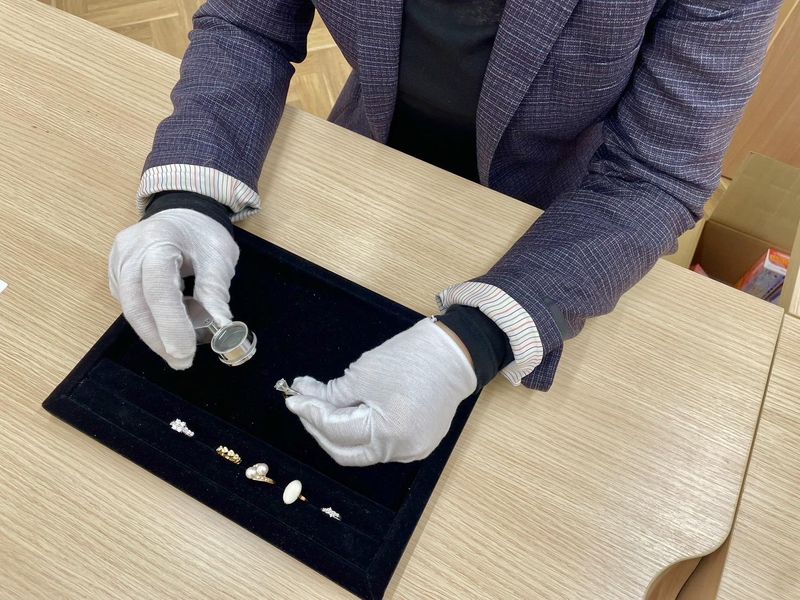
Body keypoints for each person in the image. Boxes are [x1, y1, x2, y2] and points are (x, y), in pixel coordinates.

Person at [109, 0, 782, 466]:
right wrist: (189, 191)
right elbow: (249, 24)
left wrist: (474, 343)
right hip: (362, 159)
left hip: (553, 217)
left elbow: (656, 172)